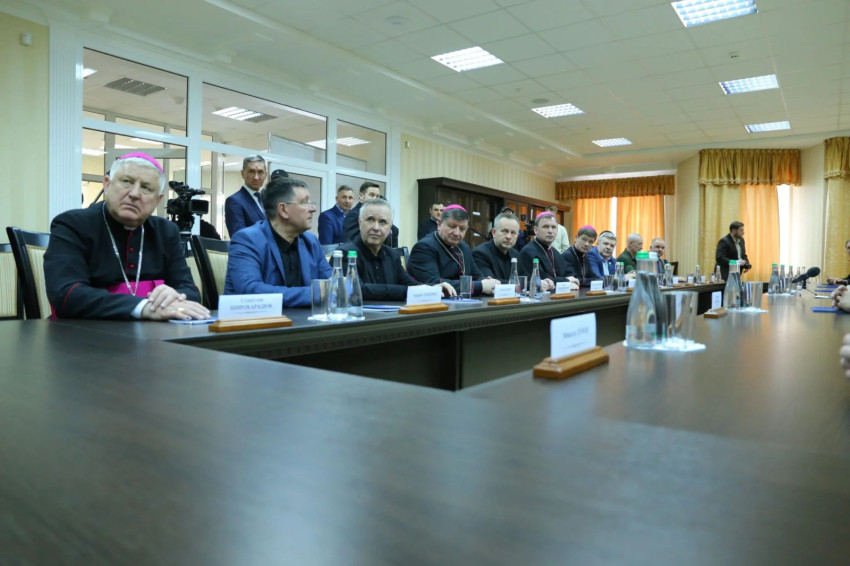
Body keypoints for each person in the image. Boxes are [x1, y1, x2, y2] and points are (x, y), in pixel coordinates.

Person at [44, 152, 208, 321]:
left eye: (146, 188)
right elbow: (65, 294)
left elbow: (190, 291)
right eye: (127, 182)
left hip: (154, 334)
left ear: (158, 200)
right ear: (107, 184)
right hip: (83, 332)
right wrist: (143, 307)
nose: (135, 194)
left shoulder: (166, 231)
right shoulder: (73, 224)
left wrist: (174, 297)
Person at [224, 177, 331, 306]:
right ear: (283, 210)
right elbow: (251, 291)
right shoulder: (247, 240)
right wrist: (314, 294)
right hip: (258, 318)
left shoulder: (311, 241)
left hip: (305, 317)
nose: (313, 208)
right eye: (304, 202)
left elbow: (333, 285)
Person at [340, 198, 454, 300]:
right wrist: (407, 291)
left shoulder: (392, 254)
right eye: (370, 220)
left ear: (390, 228)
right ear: (360, 222)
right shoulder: (345, 254)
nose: (376, 227)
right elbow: (357, 289)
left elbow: (409, 283)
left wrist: (432, 289)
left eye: (383, 222)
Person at [407, 205, 497, 296]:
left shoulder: (464, 247)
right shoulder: (424, 247)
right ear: (439, 224)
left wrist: (489, 282)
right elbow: (433, 283)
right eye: (452, 226)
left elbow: (477, 276)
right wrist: (480, 286)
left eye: (462, 229)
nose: (457, 233)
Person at [519, 211, 578, 291]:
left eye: (553, 227)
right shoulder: (528, 251)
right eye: (546, 227)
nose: (550, 231)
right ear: (535, 230)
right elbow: (542, 279)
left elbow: (568, 273)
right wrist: (566, 280)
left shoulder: (555, 252)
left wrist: (573, 281)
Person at [224, 155, 267, 238]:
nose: (256, 177)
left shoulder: (267, 200)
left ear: (265, 174)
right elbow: (239, 237)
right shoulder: (234, 201)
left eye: (260, 172)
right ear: (242, 174)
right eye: (251, 172)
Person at [472, 212, 521, 282]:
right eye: (504, 231)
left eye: (513, 233)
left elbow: (527, 279)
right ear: (494, 232)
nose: (509, 237)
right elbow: (491, 283)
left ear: (517, 236)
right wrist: (519, 283)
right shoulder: (480, 254)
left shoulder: (517, 255)